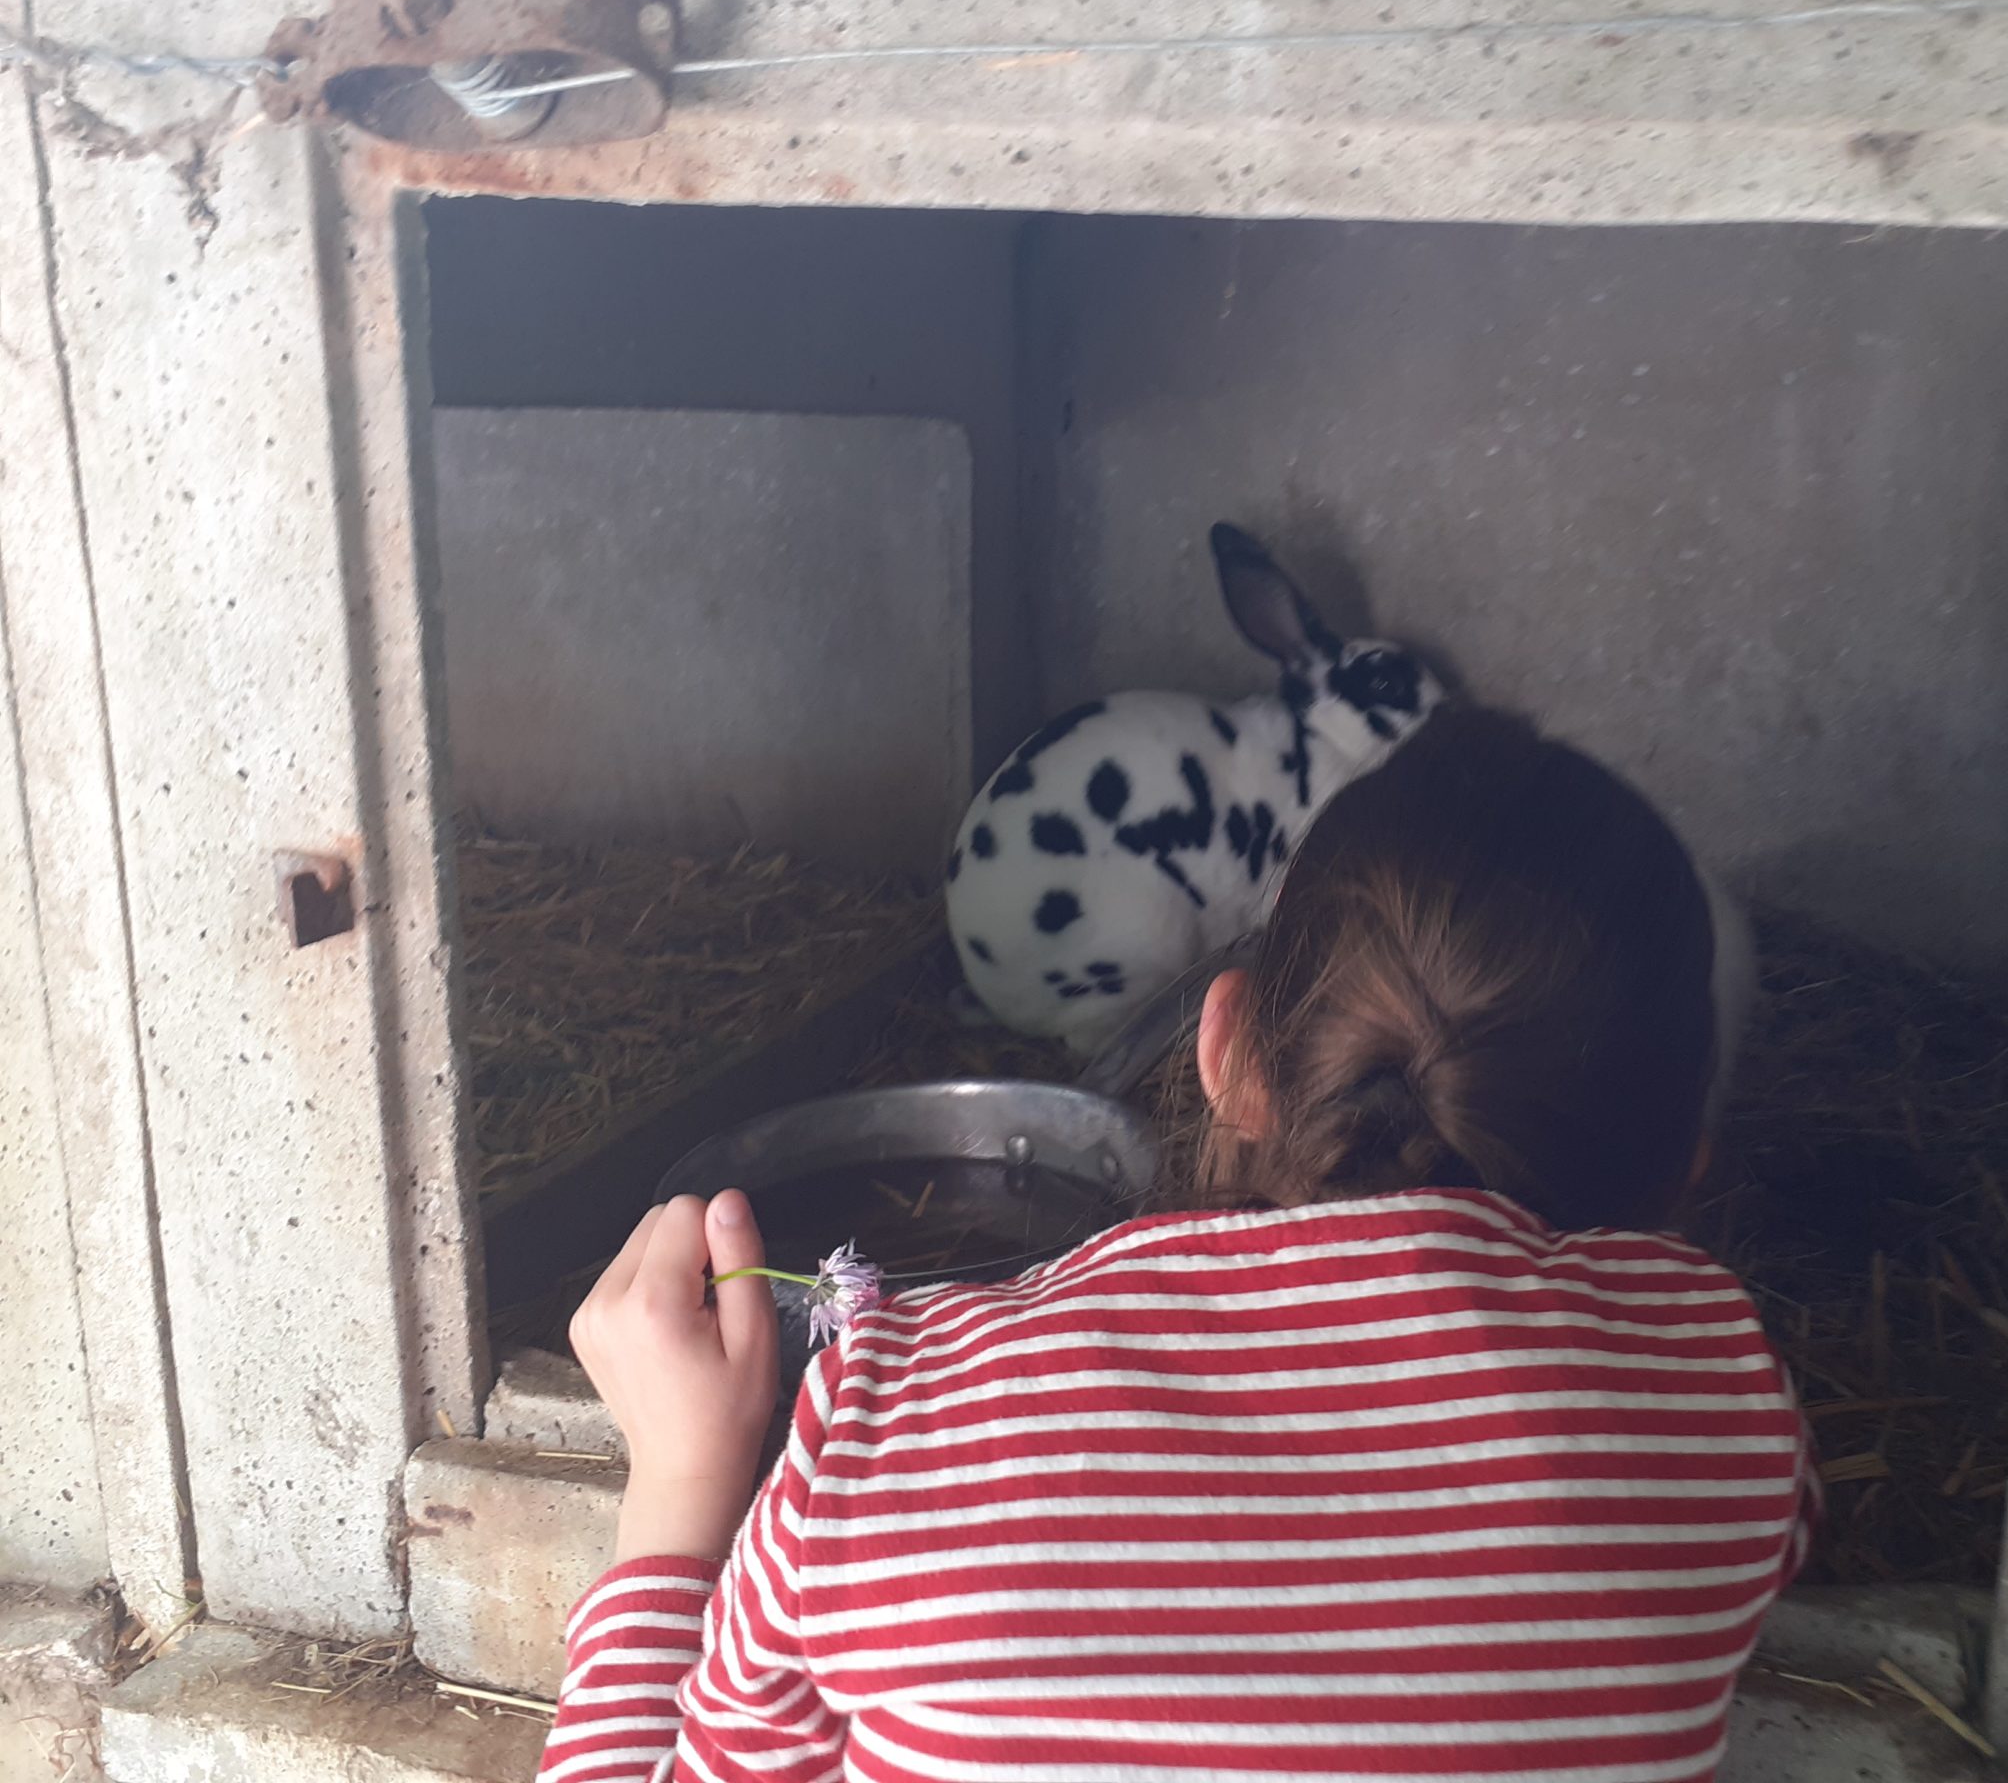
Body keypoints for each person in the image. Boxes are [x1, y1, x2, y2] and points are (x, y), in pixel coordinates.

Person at [541, 705, 1817, 1783]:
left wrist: (681, 1484)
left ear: (1221, 1052)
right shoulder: (1721, 1412)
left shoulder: (890, 1416)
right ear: (1684, 1176)